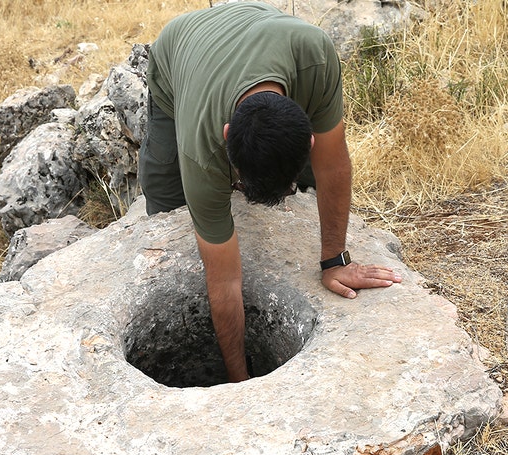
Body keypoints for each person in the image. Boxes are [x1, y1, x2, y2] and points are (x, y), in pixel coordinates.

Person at [139, 1, 402, 383]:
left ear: (309, 139)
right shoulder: (200, 150)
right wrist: (241, 383)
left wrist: (335, 261)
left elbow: (333, 163)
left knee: (310, 181)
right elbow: (225, 279)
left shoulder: (315, 55)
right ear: (226, 137)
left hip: (259, 28)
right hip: (179, 51)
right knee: (168, 203)